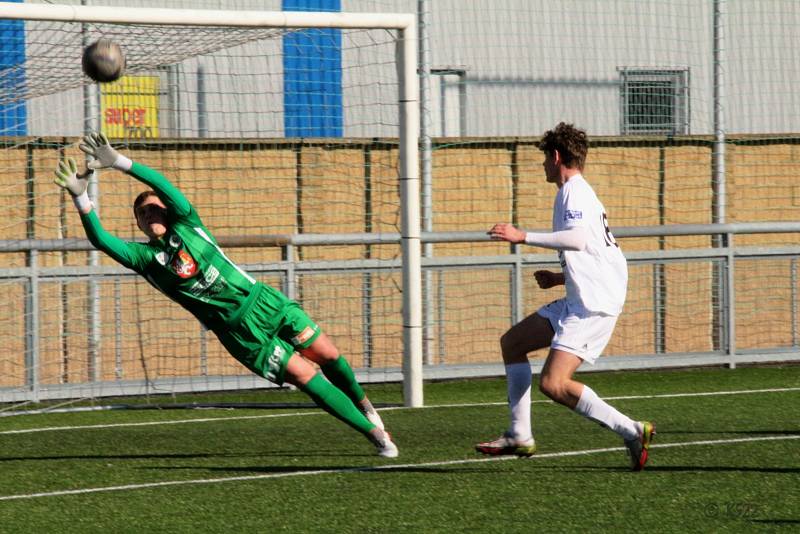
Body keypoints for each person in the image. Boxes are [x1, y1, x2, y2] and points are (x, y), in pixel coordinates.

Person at [54, 132, 398, 458]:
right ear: (139, 224)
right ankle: (375, 435)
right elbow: (101, 240)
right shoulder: (145, 259)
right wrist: (80, 197)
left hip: (264, 303)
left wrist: (118, 162)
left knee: (328, 354)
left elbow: (163, 186)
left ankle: (365, 405)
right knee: (305, 377)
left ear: (168, 211)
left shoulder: (189, 224)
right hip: (239, 333)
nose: (150, 213)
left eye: (155, 208)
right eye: (142, 213)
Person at [474, 122, 654, 471]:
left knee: (554, 384)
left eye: (544, 158)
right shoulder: (577, 192)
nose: (543, 165)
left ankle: (632, 429)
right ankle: (519, 435)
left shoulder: (573, 192)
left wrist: (521, 235)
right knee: (513, 343)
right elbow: (598, 251)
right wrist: (561, 278)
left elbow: (577, 239)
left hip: (591, 305)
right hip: (581, 295)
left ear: (556, 157)